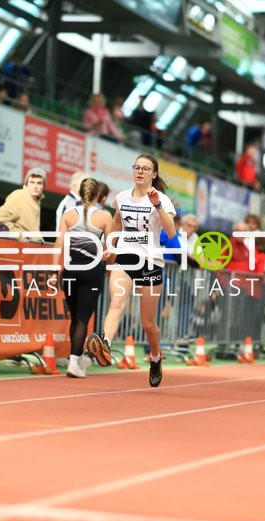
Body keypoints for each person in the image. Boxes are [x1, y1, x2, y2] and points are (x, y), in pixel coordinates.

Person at [85, 154, 177, 388]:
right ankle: (104, 345)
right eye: (137, 167)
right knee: (116, 303)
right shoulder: (122, 197)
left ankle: (155, 358)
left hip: (150, 262)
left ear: (154, 174)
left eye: (145, 169)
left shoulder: (162, 199)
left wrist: (157, 205)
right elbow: (117, 222)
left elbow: (171, 232)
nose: (140, 172)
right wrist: (111, 246)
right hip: (125, 258)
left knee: (148, 324)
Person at [53, 177, 112, 378]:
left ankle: (74, 361)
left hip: (70, 270)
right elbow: (110, 247)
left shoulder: (68, 215)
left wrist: (53, 270)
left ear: (80, 193)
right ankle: (74, 363)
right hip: (92, 271)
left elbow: (58, 243)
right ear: (97, 195)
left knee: (75, 318)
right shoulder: (104, 216)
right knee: (82, 319)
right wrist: (109, 264)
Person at [0, 168, 46, 241]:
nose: (35, 186)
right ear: (26, 184)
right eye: (32, 182)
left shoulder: (36, 201)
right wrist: (22, 237)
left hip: (30, 246)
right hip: (18, 245)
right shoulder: (19, 195)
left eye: (39, 183)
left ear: (44, 186)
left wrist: (38, 239)